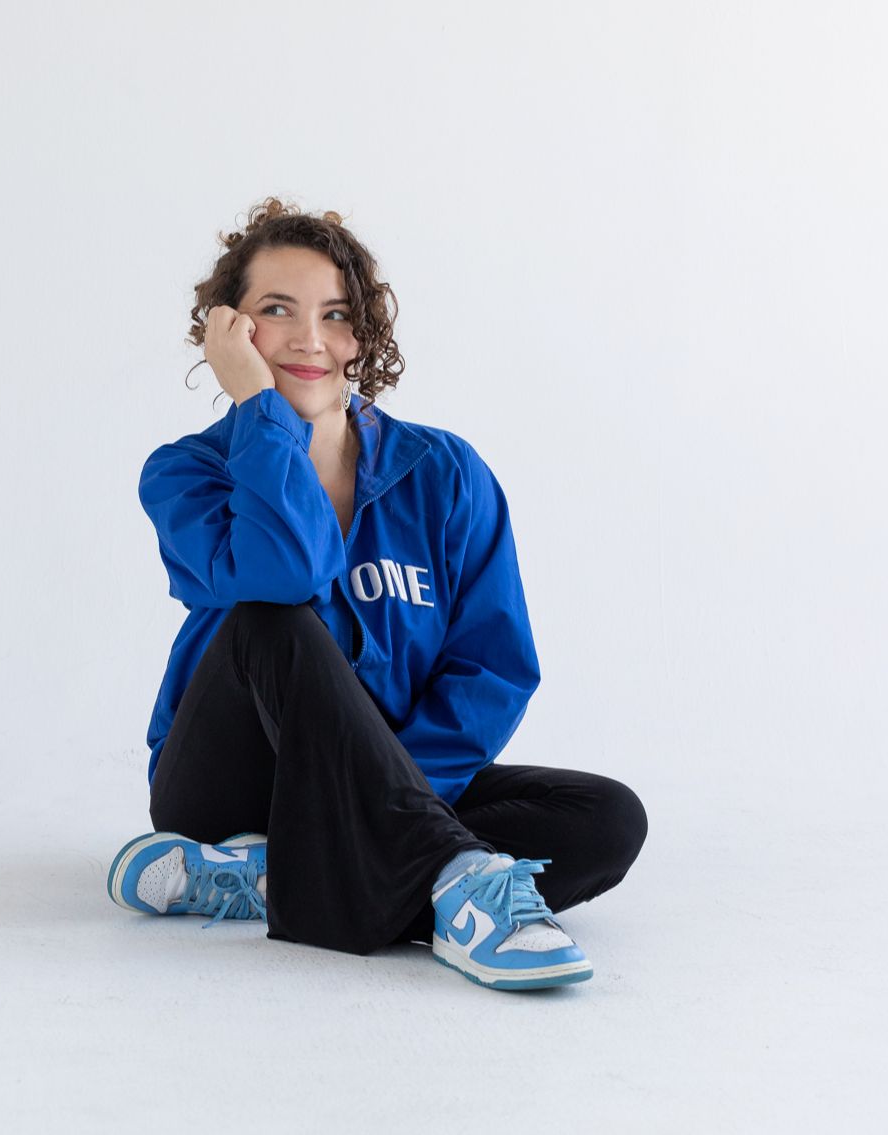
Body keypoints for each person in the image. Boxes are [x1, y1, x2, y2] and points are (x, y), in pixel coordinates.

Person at [107, 197, 648, 991]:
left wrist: (393, 797)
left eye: (334, 314)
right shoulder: (184, 473)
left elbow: (491, 667)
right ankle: (455, 885)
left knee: (604, 817)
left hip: (397, 778)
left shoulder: (444, 472)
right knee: (271, 618)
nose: (309, 338)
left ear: (362, 333)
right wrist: (259, 410)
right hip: (228, 789)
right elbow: (284, 572)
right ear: (229, 328)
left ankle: (269, 877)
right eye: (276, 310)